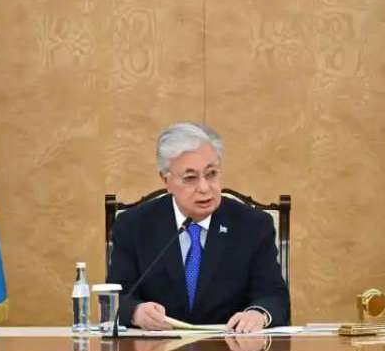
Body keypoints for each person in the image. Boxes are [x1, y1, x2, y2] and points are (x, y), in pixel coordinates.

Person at [108, 122, 290, 333]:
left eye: (211, 174)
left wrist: (258, 314)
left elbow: (275, 296)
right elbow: (115, 298)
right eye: (190, 178)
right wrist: (136, 312)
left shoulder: (253, 225)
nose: (204, 188)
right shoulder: (134, 226)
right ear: (166, 180)